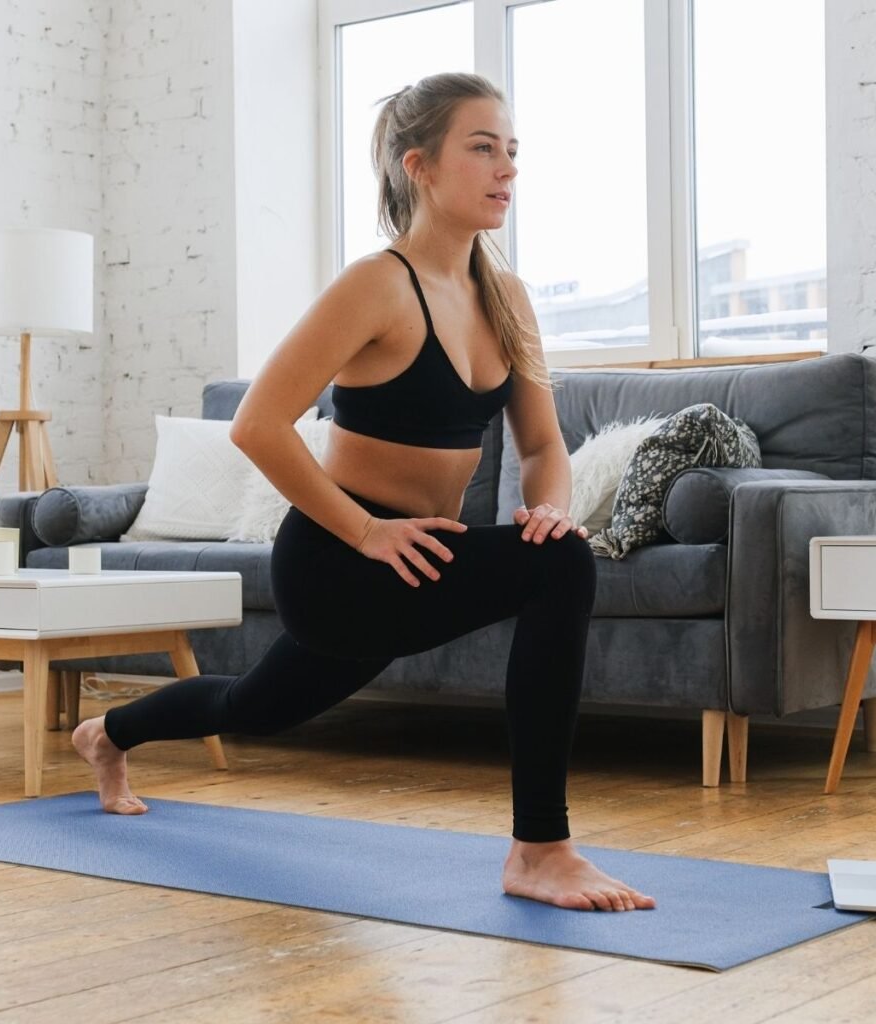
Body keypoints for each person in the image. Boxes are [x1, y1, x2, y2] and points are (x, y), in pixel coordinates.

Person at [73, 72, 655, 913]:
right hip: (339, 562)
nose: (507, 170)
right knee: (561, 568)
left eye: (513, 152)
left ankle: (108, 733)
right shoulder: (374, 286)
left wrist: (551, 504)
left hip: (415, 561)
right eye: (482, 149)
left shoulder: (508, 298)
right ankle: (540, 849)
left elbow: (541, 445)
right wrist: (365, 532)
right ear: (419, 165)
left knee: (256, 706)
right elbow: (258, 424)